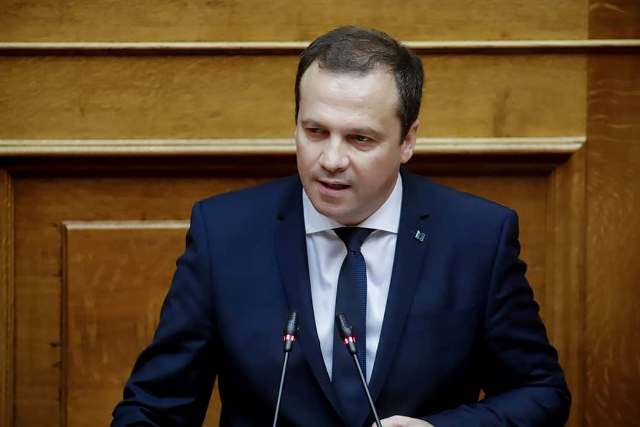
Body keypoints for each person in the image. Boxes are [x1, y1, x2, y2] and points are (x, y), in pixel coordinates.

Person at [112, 26, 570, 426]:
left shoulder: (477, 238)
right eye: (315, 132)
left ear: (407, 141)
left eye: (359, 138)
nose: (331, 160)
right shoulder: (225, 234)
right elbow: (153, 408)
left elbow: (541, 393)